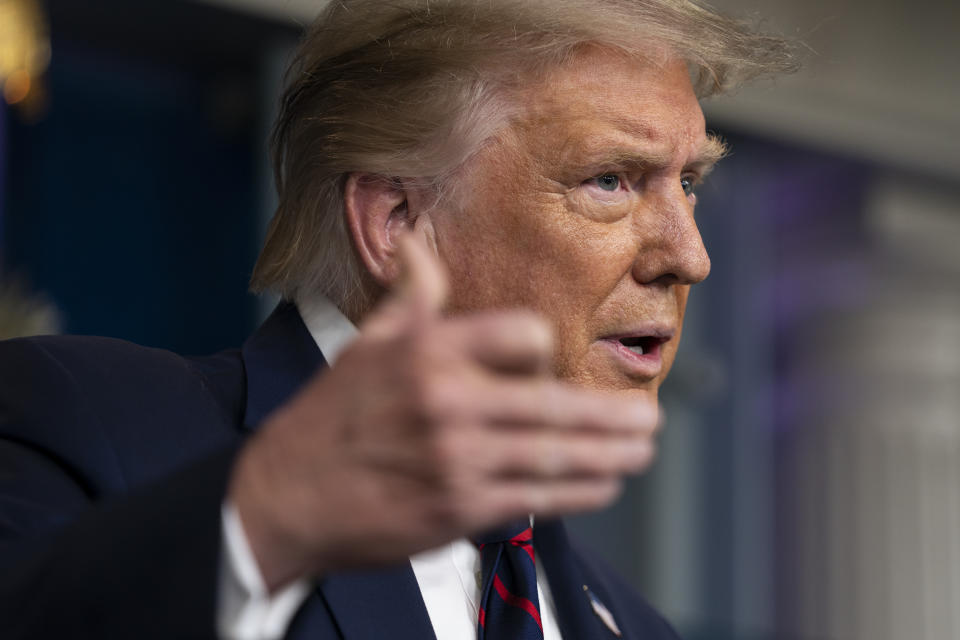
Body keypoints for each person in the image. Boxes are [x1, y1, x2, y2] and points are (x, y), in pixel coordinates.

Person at [0, 1, 793, 638]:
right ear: (397, 221)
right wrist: (269, 522)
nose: (689, 256)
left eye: (689, 182)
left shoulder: (632, 622)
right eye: (612, 180)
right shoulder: (82, 421)